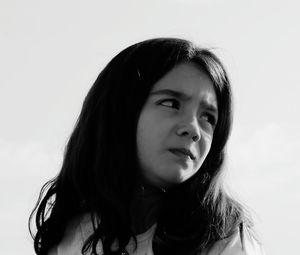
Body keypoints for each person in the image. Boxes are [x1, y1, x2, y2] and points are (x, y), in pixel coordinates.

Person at [29, 38, 265, 255]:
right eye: (171, 103)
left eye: (208, 117)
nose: (193, 129)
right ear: (120, 112)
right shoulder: (71, 238)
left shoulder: (225, 240)